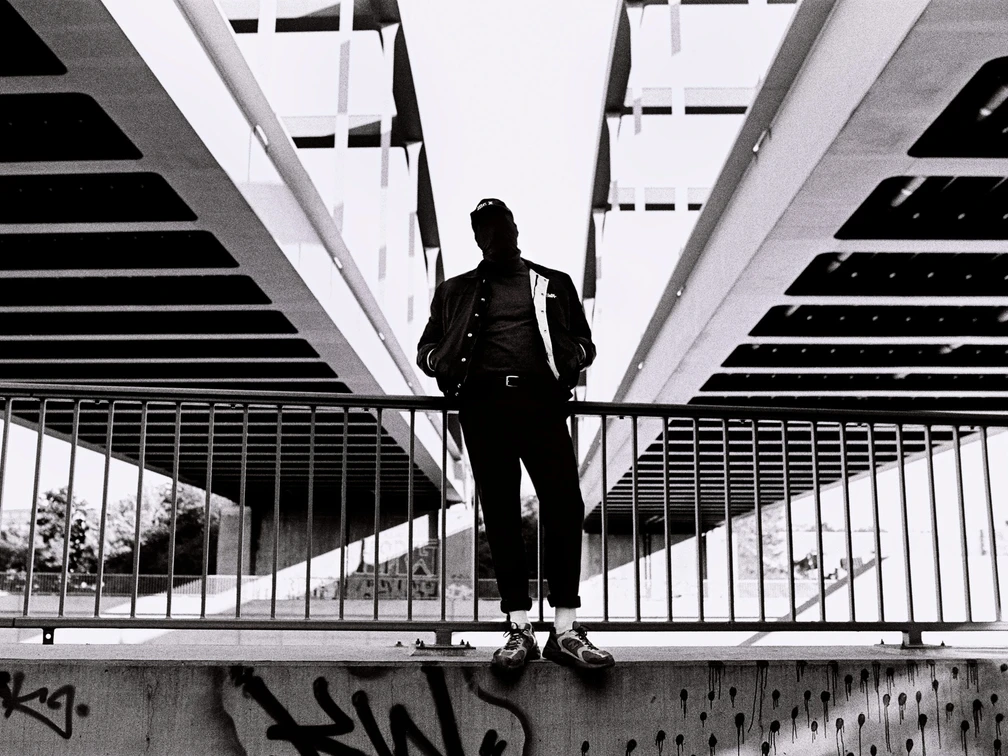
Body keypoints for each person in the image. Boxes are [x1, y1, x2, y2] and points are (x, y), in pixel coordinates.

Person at [417, 198, 615, 672]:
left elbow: (586, 341)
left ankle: (565, 630)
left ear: (515, 230)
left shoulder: (553, 283)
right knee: (501, 511)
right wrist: (439, 363)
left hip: (541, 405)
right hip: (483, 408)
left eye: (501, 224)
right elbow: (426, 347)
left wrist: (574, 357)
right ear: (477, 238)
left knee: (564, 504)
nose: (496, 234)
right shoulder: (454, 290)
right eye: (485, 227)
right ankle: (519, 627)